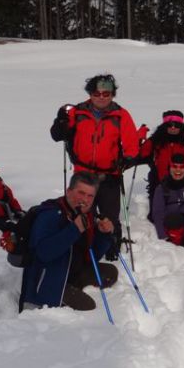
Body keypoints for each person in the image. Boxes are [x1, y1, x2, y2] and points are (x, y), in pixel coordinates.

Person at [50, 74, 139, 259]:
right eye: (96, 93)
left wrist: (127, 159)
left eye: (106, 93)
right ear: (90, 93)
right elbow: (58, 135)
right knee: (81, 211)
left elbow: (132, 144)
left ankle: (111, 245)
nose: (101, 97)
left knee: (109, 214)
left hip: (110, 175)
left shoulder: (121, 115)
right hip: (82, 175)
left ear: (113, 95)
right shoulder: (77, 112)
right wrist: (60, 122)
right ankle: (82, 244)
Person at [19, 172, 118, 312]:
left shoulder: (85, 215)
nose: (85, 199)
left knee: (110, 273)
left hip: (72, 273)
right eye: (81, 193)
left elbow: (92, 255)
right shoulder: (50, 215)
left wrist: (103, 235)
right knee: (89, 307)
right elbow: (43, 253)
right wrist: (74, 229)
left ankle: (73, 285)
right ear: (69, 191)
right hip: (47, 282)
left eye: (90, 196)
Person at [134, 110, 184, 214]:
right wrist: (136, 140)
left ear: (181, 126)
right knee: (158, 217)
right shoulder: (154, 141)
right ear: (164, 125)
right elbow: (136, 157)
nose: (173, 128)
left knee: (180, 217)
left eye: (177, 125)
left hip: (182, 186)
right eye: (169, 124)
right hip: (158, 186)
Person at [150, 153, 184, 248]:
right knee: (174, 218)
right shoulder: (161, 189)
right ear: (169, 168)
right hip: (170, 229)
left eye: (182, 167)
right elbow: (158, 215)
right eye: (174, 166)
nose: (178, 170)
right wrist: (164, 237)